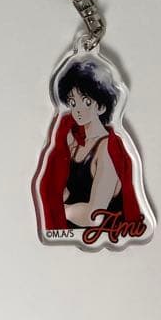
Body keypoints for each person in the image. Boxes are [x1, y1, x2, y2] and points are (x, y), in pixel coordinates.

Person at [37, 58, 143, 231]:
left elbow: (95, 216)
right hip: (69, 236)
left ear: (101, 107)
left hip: (103, 236)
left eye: (86, 101)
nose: (78, 109)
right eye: (73, 102)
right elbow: (65, 191)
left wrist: (61, 210)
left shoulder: (106, 149)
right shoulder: (73, 142)